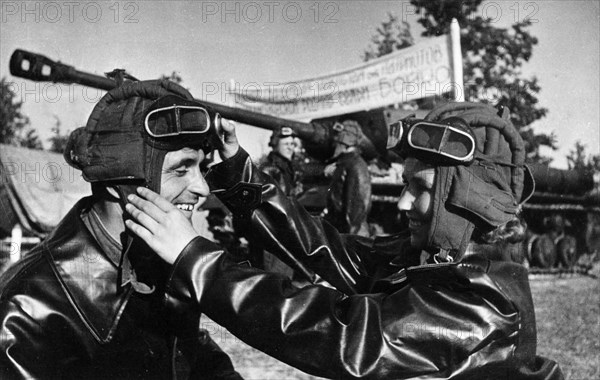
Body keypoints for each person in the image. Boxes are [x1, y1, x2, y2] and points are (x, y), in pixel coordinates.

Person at [125, 102, 564, 379]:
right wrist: (241, 176)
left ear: (467, 196)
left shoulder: (482, 306)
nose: (404, 203)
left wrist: (195, 258)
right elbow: (331, 249)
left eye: (423, 188)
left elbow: (342, 331)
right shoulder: (441, 261)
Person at [0, 80, 242, 379]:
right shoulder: (25, 311)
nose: (202, 188)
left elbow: (198, 360)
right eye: (181, 170)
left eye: (202, 169)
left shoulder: (157, 261)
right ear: (119, 183)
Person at [324, 120, 372, 236]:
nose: (334, 143)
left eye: (337, 139)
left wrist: (348, 239)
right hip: (343, 232)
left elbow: (356, 209)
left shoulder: (355, 165)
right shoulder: (345, 163)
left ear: (344, 142)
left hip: (350, 235)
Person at [259, 126, 303, 197]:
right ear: (275, 146)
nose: (290, 148)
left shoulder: (292, 167)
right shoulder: (268, 169)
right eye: (286, 144)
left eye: (292, 144)